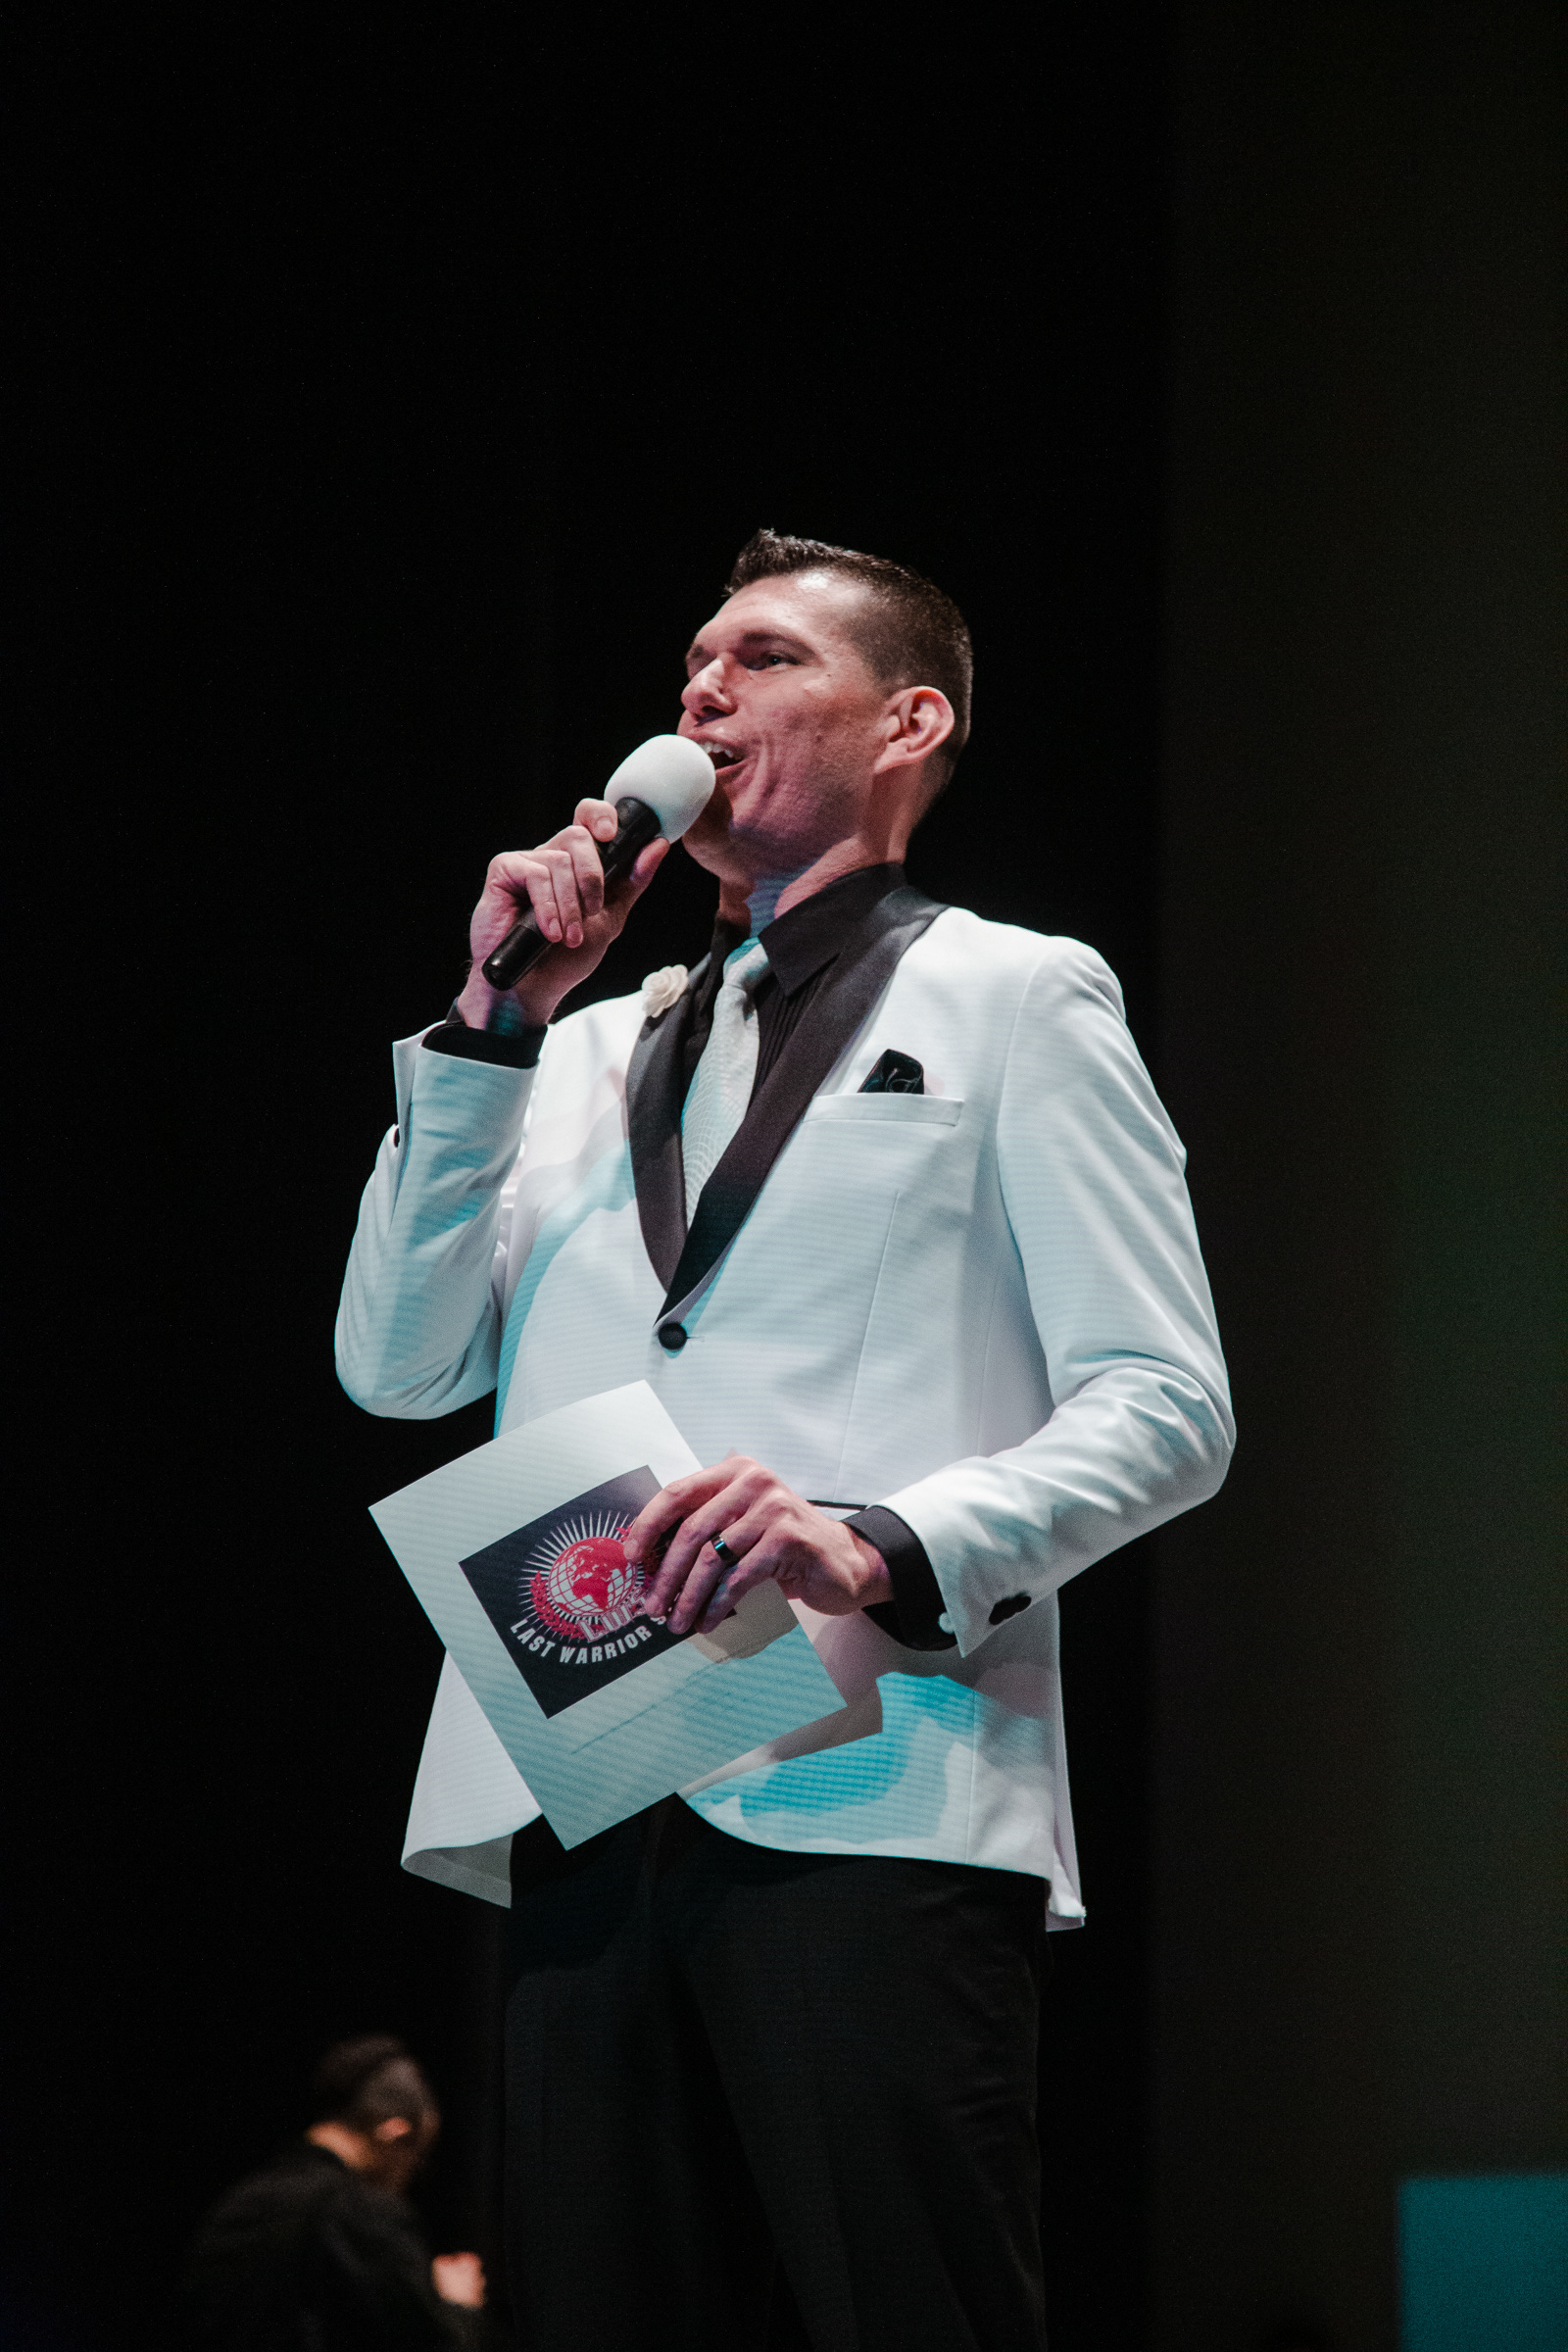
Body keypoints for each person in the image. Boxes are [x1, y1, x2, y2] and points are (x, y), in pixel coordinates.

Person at [337, 529, 1233, 2349]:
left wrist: (883, 1540)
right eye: (693, 661)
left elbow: (1169, 1405)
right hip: (587, 1767)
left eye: (762, 657)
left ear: (910, 722)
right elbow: (398, 1370)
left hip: (870, 1778)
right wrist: (494, 1027)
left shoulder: (1016, 994)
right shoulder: (578, 1051)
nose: (703, 688)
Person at [172, 2035, 492, 2349]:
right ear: (394, 2133)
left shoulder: (240, 2203)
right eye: (418, 2157)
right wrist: (457, 2304)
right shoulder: (360, 2212)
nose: (412, 2174)